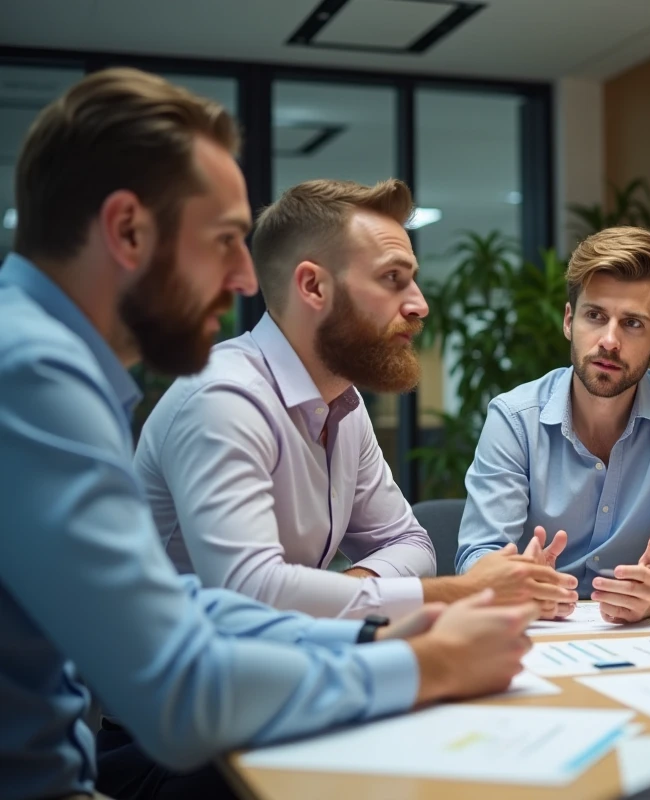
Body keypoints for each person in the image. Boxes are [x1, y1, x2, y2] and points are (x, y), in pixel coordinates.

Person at [0, 68, 535, 800]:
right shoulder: (32, 374)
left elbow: (187, 606)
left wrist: (374, 633)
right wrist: (427, 663)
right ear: (127, 230)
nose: (248, 276)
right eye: (224, 240)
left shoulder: (45, 361)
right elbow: (182, 685)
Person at [134, 178, 577, 622]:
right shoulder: (223, 398)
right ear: (313, 287)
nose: (420, 305)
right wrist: (461, 591)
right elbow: (253, 594)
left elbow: (411, 545)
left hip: (280, 661)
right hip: (179, 683)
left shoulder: (342, 403)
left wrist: (346, 591)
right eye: (392, 279)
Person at [455, 226, 650, 623]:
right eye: (595, 316)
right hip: (532, 633)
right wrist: (516, 583)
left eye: (632, 323)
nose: (609, 341)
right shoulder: (514, 418)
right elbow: (477, 554)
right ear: (569, 321)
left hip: (641, 638)